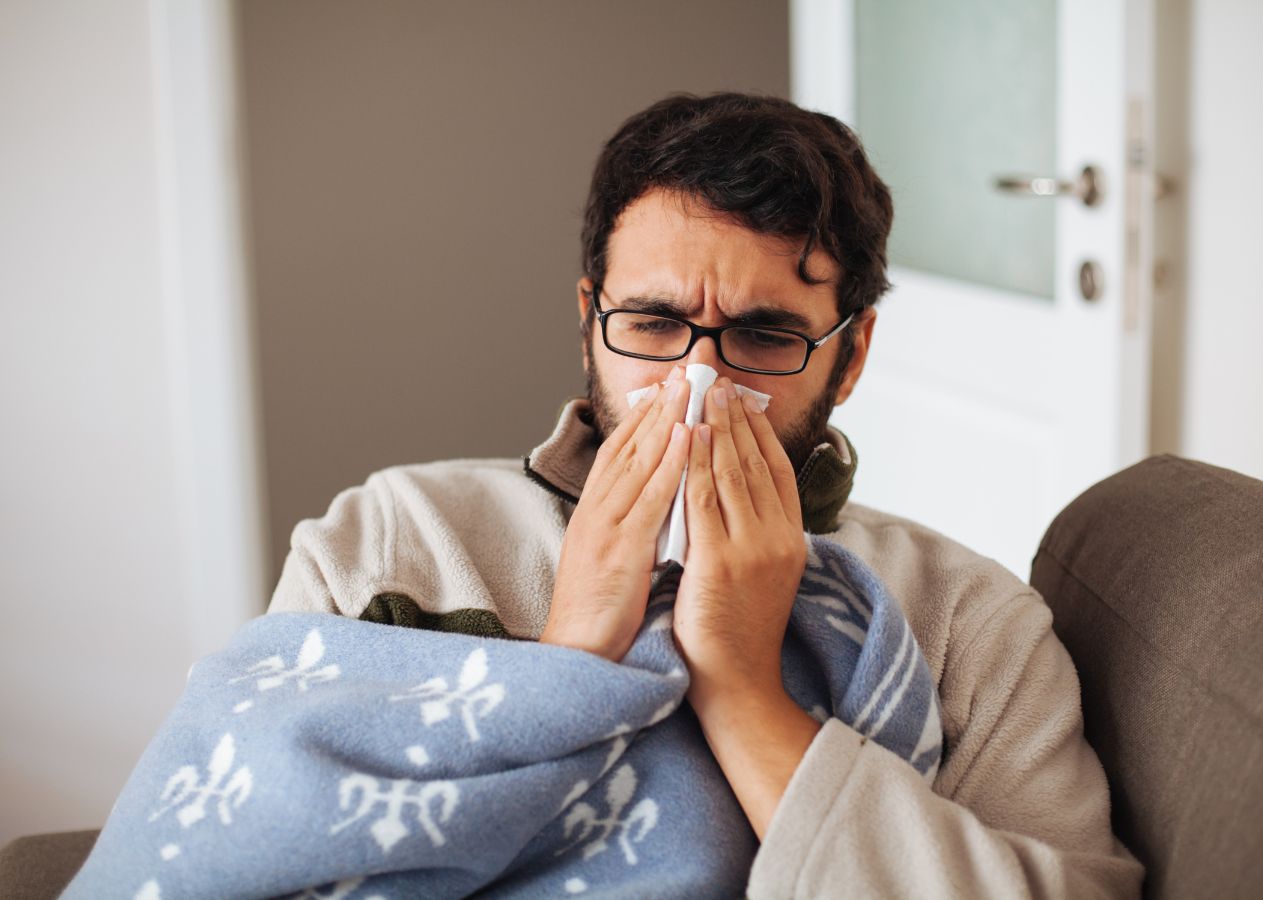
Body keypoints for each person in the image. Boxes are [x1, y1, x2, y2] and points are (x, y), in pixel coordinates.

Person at [268, 92, 1143, 896]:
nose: (698, 382)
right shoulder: (390, 540)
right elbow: (255, 848)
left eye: (764, 336)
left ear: (854, 352)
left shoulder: (967, 620)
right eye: (653, 323)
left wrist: (744, 687)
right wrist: (567, 664)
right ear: (589, 320)